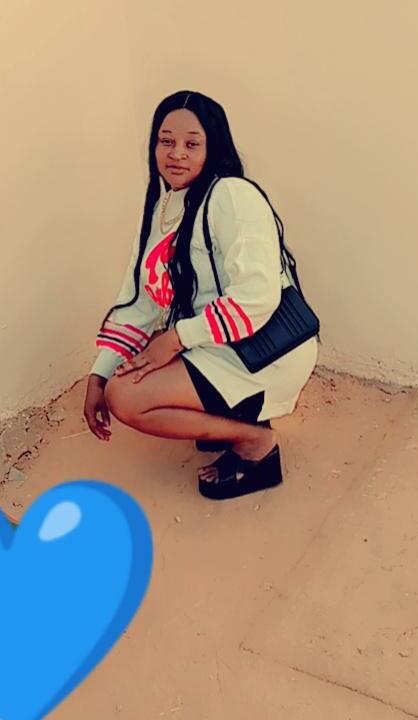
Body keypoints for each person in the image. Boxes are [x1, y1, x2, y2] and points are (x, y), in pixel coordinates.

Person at [84, 90, 318, 500]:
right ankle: (226, 416)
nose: (176, 153)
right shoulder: (165, 206)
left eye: (192, 144)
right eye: (166, 141)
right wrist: (99, 373)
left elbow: (257, 296)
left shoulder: (232, 195)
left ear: (213, 147)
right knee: (121, 378)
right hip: (214, 339)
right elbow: (142, 299)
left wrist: (175, 339)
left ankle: (254, 442)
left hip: (263, 349)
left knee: (126, 397)